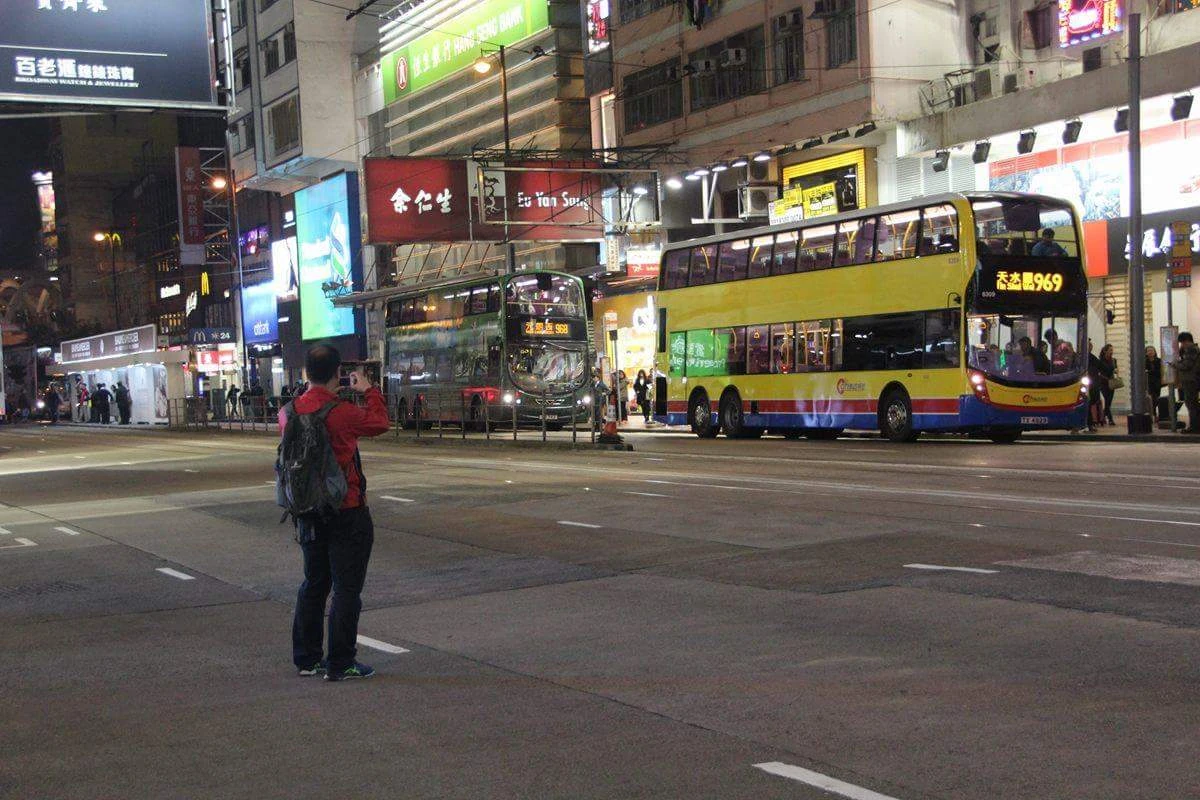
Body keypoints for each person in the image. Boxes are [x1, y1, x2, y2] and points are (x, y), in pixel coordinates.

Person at [286, 344, 390, 681]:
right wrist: (369, 390)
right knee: (346, 589)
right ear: (338, 373)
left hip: (307, 510)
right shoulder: (341, 412)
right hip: (346, 509)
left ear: (306, 373)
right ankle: (341, 662)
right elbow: (380, 422)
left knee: (314, 583)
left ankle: (307, 659)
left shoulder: (289, 411)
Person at [1175, 332, 1199, 433]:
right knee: (1192, 404)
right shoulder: (1191, 349)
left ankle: (1194, 427)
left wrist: (1175, 364)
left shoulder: (1191, 349)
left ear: (1187, 341)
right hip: (1191, 379)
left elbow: (1186, 365)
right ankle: (1195, 426)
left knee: (1191, 404)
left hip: (1191, 380)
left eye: (1182, 342)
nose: (1182, 345)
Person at [1098, 344, 1118, 426]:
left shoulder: (1114, 360)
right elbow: (1099, 372)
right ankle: (1110, 419)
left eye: (1112, 350)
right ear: (1105, 351)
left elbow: (1115, 369)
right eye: (1110, 350)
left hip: (1111, 383)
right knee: (1106, 400)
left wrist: (1116, 371)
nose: (1111, 352)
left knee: (1109, 402)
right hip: (1103, 382)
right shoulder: (1100, 361)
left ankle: (1102, 417)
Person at [1086, 340, 1103, 431]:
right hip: (1090, 384)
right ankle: (1090, 423)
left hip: (1092, 383)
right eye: (1089, 346)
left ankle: (1090, 423)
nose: (1090, 347)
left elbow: (1100, 366)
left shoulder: (1091, 357)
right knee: (1088, 403)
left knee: (1090, 403)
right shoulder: (1086, 357)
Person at [1146, 346, 1164, 422]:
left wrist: (1150, 371)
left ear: (1154, 351)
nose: (1150, 352)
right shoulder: (1144, 361)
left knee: (1156, 399)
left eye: (1152, 350)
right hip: (1148, 383)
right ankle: (1153, 414)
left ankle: (1155, 414)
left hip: (1157, 383)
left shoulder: (1159, 361)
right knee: (1151, 399)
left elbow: (1160, 371)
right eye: (1148, 351)